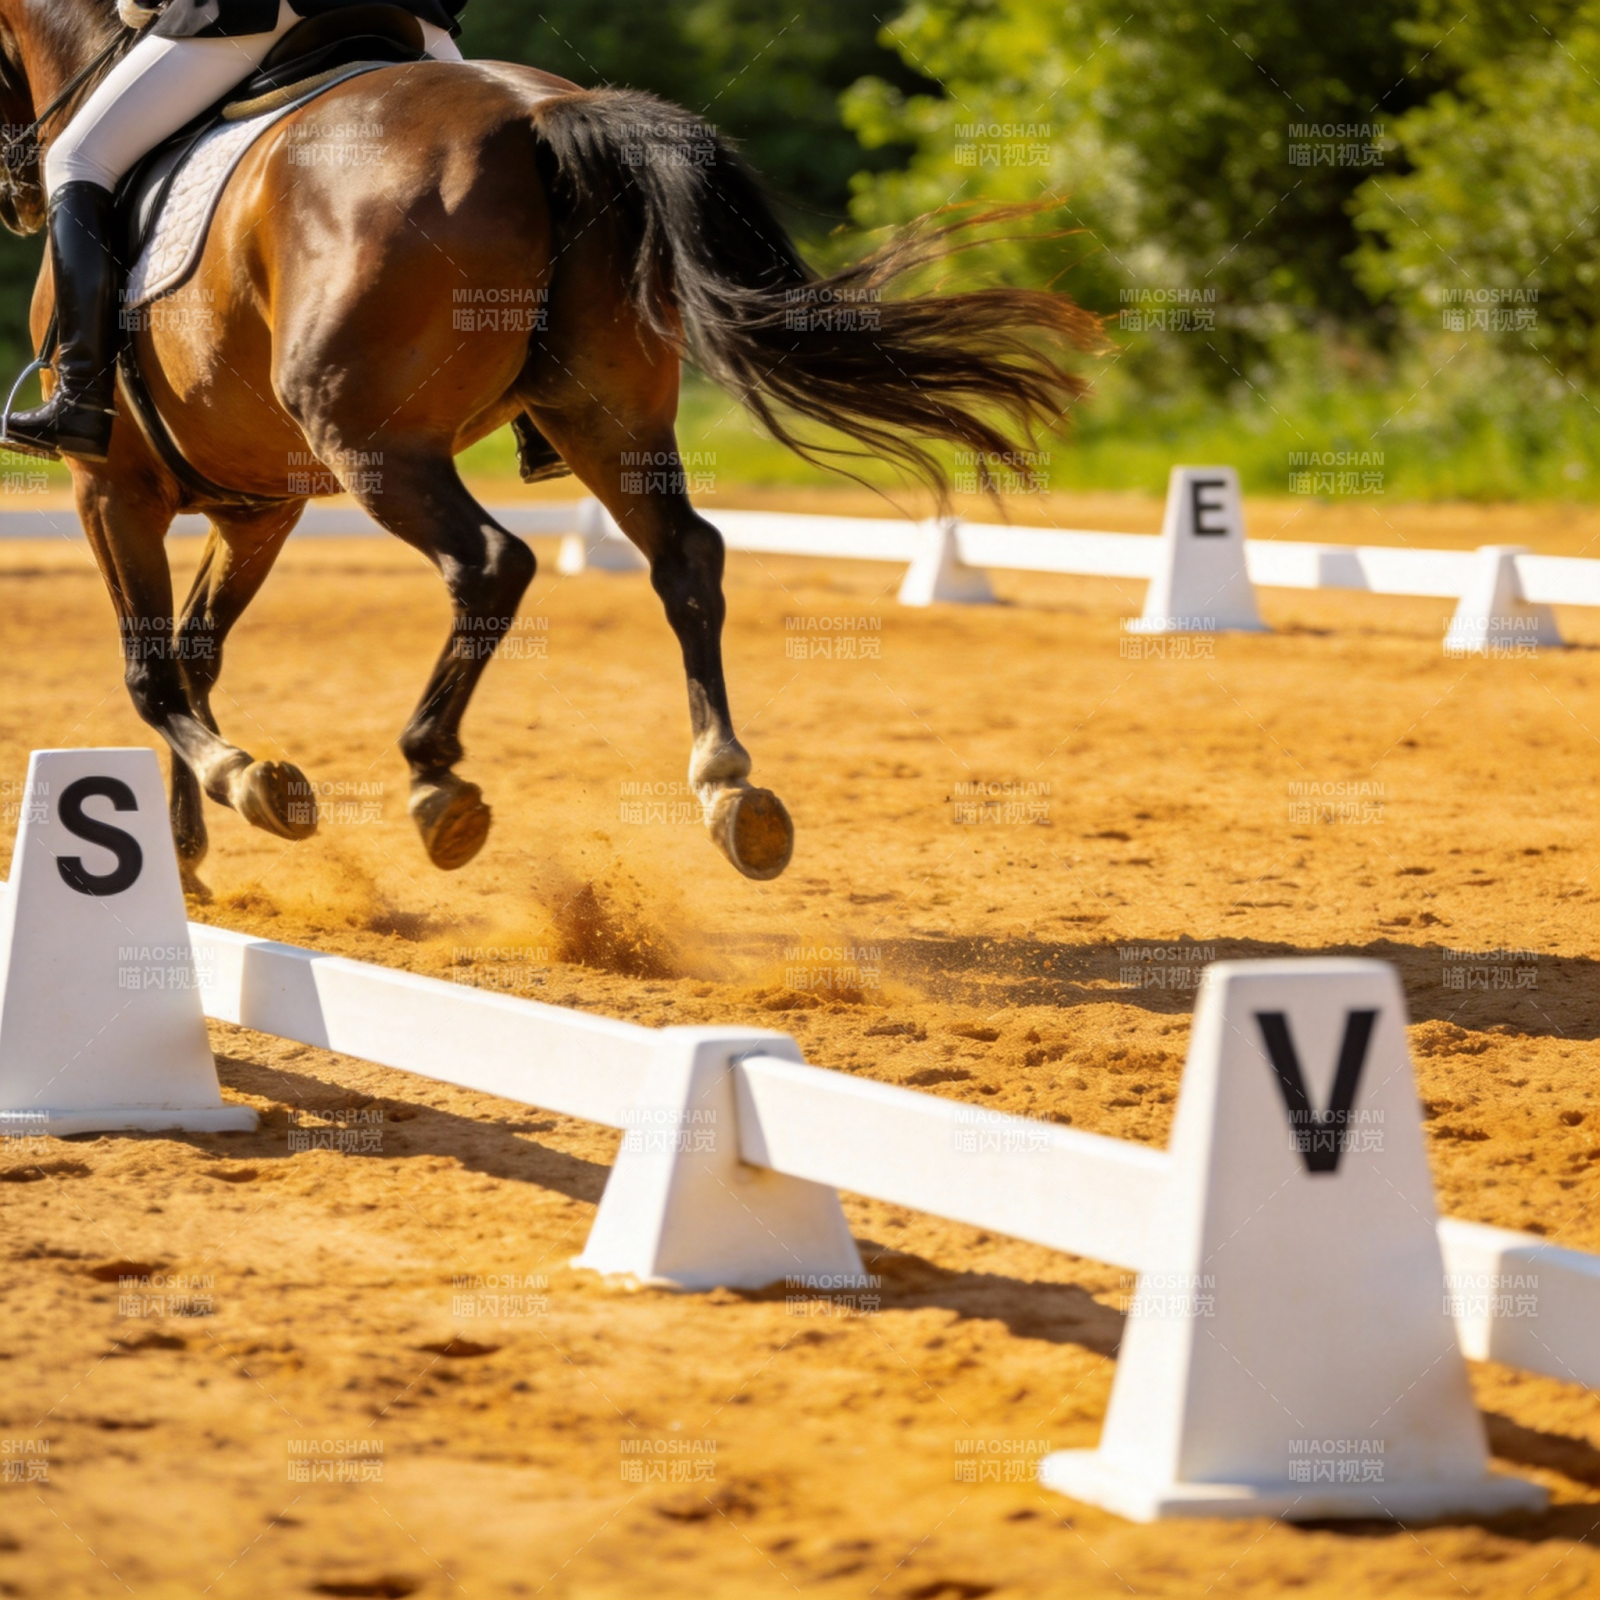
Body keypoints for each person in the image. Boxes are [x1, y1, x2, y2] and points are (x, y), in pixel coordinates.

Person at [6, 0, 468, 463]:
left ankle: (80, 400)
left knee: (75, 158)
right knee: (486, 134)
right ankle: (514, 395)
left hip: (258, 12)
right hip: (415, 15)